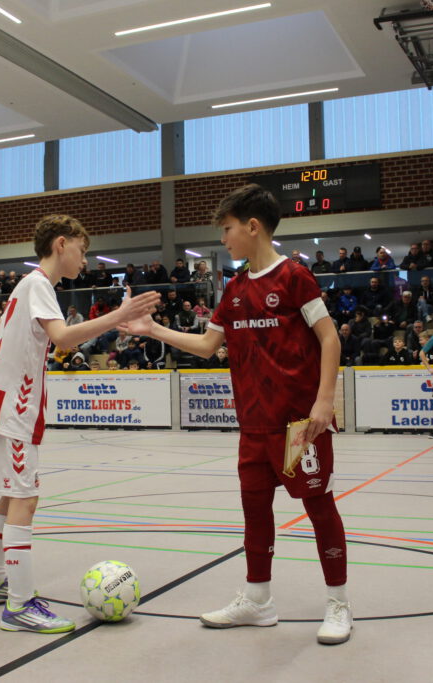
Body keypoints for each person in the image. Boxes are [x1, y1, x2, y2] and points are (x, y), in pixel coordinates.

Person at [124, 184, 351, 644]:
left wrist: (324, 401)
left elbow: (330, 338)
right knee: (255, 512)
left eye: (227, 229)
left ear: (252, 227)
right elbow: (208, 345)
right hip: (253, 425)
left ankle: (339, 603)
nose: (223, 239)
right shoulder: (234, 288)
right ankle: (258, 600)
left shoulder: (295, 277)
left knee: (319, 508)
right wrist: (155, 330)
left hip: (298, 426)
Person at [0, 214, 160, 634]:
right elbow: (62, 338)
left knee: (11, 492)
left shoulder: (24, 286)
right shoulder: (39, 284)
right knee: (26, 498)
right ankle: (20, 605)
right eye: (82, 250)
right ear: (61, 244)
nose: (85, 259)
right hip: (12, 408)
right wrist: (119, 314)